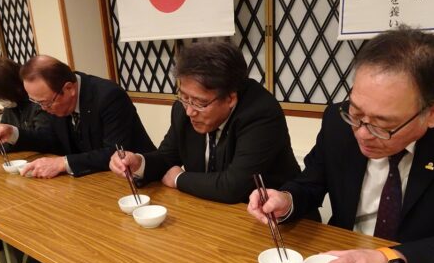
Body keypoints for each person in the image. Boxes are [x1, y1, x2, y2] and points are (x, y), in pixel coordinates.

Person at [248, 26, 434, 263]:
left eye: (383, 126)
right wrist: (286, 200)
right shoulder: (339, 120)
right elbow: (311, 181)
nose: (362, 133)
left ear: (433, 113)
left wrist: (389, 261)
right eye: (356, 113)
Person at [109, 41, 300, 204]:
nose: (190, 111)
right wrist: (138, 163)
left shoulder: (260, 114)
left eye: (200, 103)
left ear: (230, 99)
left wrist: (179, 178)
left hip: (269, 217)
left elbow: (234, 186)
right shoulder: (183, 109)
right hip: (208, 209)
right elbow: (167, 157)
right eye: (184, 97)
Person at [0, 55, 156, 178]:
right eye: (37, 102)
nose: (43, 109)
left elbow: (115, 152)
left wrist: (62, 163)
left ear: (69, 89)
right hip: (92, 181)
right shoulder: (54, 99)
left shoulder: (108, 96)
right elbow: (50, 140)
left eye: (46, 103)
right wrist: (13, 133)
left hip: (138, 179)